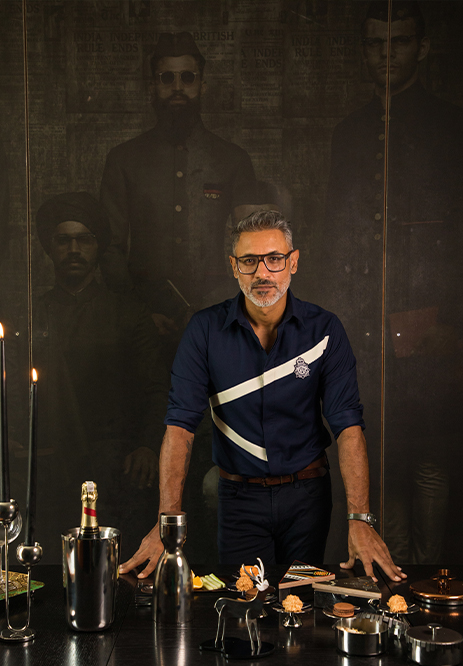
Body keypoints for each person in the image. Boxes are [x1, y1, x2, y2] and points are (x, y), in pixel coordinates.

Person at [120, 210, 406, 582]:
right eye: (249, 261)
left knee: (299, 602)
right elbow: (180, 427)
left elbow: (348, 426)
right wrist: (167, 522)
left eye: (274, 259)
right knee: (245, 603)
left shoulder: (325, 330)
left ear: (293, 262)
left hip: (308, 499)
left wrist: (360, 520)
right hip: (238, 501)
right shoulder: (204, 330)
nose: (262, 273)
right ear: (233, 266)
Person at [323, 1, 463, 563]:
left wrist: (453, 324)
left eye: (399, 42)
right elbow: (337, 237)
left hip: (433, 328)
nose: (386, 55)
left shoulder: (450, 127)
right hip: (367, 330)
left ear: (422, 48)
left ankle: (431, 577)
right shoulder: (349, 133)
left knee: (430, 462)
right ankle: (394, 582)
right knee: (380, 460)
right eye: (375, 44)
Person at [12, 192, 167, 561]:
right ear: (49, 248)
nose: (74, 250)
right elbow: (15, 394)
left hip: (116, 464)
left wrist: (147, 446)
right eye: (63, 241)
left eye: (83, 240)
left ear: (98, 247)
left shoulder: (129, 314)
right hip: (50, 466)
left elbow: (157, 388)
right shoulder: (31, 318)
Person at [100, 31, 259, 337]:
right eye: (166, 78)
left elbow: (251, 248)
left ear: (202, 85)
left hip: (217, 320)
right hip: (144, 323)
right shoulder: (124, 159)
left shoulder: (232, 159)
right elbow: (110, 249)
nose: (177, 87)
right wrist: (139, 314)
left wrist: (222, 310)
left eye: (187, 77)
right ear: (152, 85)